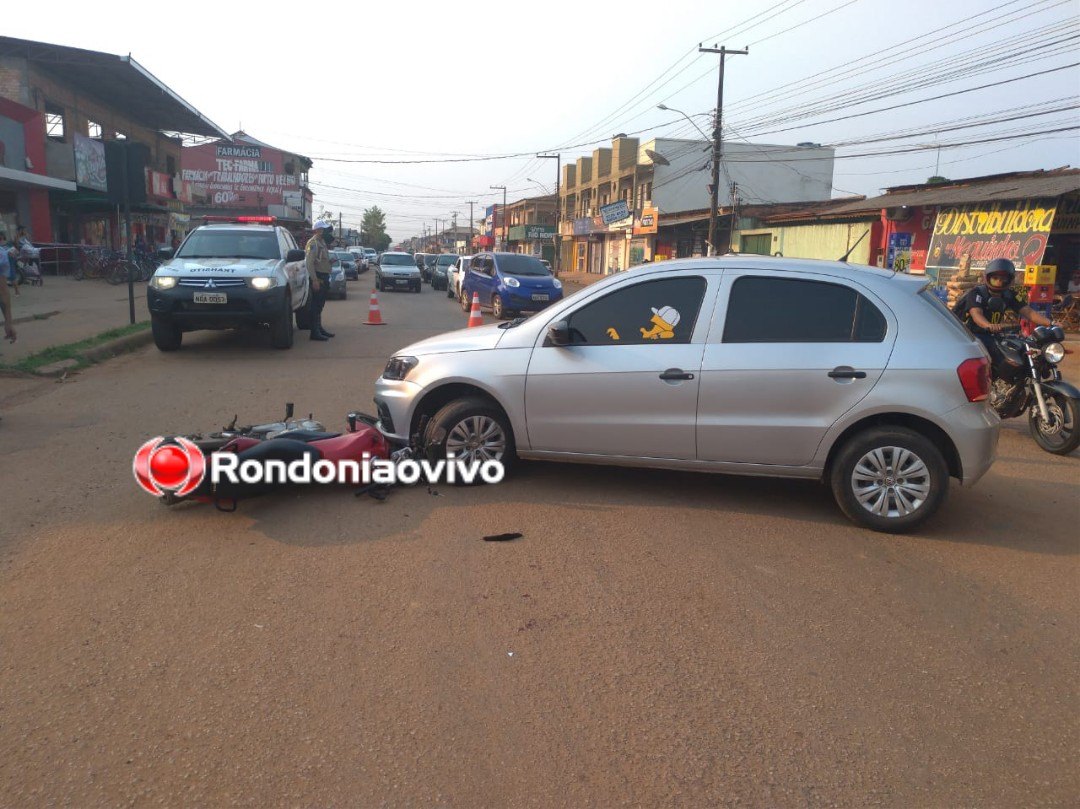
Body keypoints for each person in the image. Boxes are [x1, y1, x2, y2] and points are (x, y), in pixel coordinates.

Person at [955, 258, 1053, 365]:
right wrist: (988, 325)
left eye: (1003, 279)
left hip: (996, 334)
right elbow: (976, 314)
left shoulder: (1010, 294)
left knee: (1020, 352)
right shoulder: (976, 293)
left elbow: (1029, 312)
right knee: (996, 359)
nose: (999, 281)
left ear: (1009, 280)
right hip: (974, 335)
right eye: (995, 278)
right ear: (987, 278)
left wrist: (1050, 323)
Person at [305, 220, 335, 341]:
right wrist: (314, 280)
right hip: (318, 277)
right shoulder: (313, 243)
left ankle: (319, 328)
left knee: (320, 305)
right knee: (315, 305)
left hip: (324, 276)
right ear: (317, 230)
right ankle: (314, 332)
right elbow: (309, 263)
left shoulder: (322, 242)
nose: (325, 232)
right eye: (323, 229)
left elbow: (320, 260)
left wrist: (329, 262)